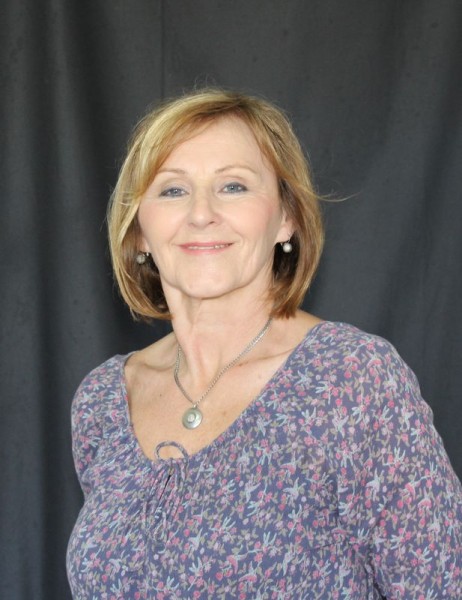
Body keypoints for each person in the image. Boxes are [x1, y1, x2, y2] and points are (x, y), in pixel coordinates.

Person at [67, 88, 462, 599]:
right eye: (172, 189)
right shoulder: (103, 399)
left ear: (286, 218)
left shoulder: (351, 381)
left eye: (233, 186)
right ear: (140, 230)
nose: (201, 213)